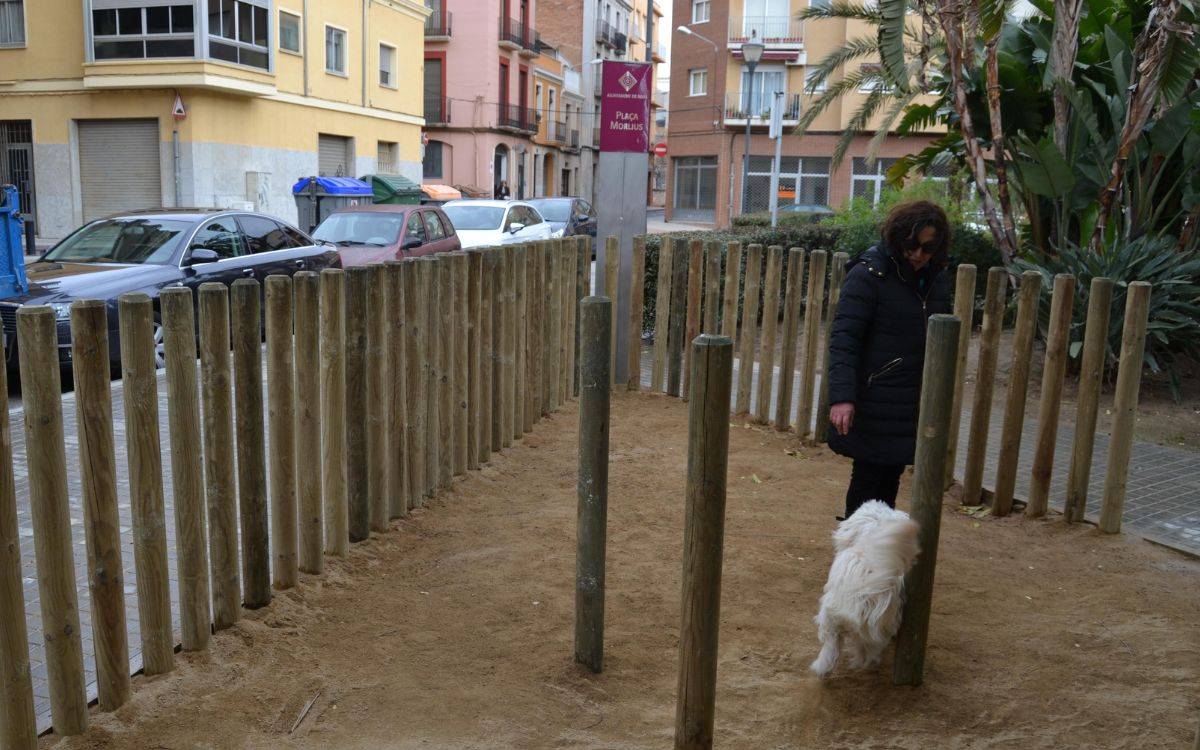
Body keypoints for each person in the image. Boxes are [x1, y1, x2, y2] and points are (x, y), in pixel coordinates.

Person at [826, 200, 953, 520]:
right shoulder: (869, 274)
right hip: (875, 394)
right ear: (897, 238)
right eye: (912, 246)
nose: (919, 255)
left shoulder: (936, 278)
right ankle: (855, 552)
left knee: (891, 475)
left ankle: (879, 549)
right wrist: (842, 398)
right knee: (868, 474)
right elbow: (844, 338)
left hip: (910, 396)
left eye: (928, 248)